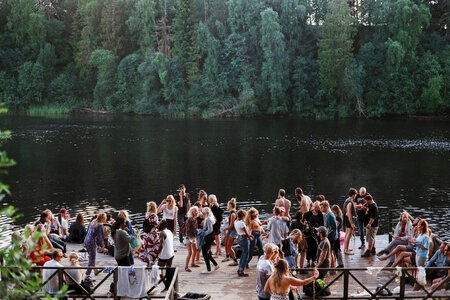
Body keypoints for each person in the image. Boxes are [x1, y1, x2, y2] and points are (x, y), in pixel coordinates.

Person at [156, 219, 175, 292]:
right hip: (171, 254)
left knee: (158, 271)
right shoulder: (169, 231)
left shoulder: (162, 233)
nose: (158, 225)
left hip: (164, 256)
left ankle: (166, 287)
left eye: (159, 224)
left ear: (162, 226)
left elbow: (161, 245)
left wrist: (156, 255)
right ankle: (168, 287)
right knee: (168, 270)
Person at [139, 201, 160, 266]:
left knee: (148, 248)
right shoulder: (154, 216)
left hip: (146, 234)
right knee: (155, 247)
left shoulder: (146, 215)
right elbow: (155, 225)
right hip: (152, 235)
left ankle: (149, 261)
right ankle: (152, 261)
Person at [200, 207, 220, 274]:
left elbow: (210, 230)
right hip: (210, 237)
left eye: (203, 212)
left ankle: (208, 269)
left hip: (208, 237)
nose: (202, 213)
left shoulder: (208, 219)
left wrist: (203, 233)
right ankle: (216, 265)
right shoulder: (209, 218)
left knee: (204, 253)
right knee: (207, 253)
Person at [235, 209, 253, 277]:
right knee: (246, 254)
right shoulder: (242, 223)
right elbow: (246, 233)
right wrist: (250, 237)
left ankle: (240, 267)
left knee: (243, 253)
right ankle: (241, 270)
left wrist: (249, 235)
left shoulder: (235, 222)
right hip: (243, 238)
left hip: (239, 238)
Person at [304, 201, 324, 267]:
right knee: (308, 247)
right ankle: (308, 260)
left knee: (315, 246)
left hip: (316, 232)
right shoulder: (309, 213)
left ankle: (314, 260)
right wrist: (305, 224)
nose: (315, 209)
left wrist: (320, 231)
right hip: (309, 232)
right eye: (314, 207)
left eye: (317, 207)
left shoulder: (320, 214)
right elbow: (304, 220)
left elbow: (322, 224)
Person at [322, 201, 338, 268]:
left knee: (331, 252)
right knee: (330, 252)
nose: (321, 208)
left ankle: (333, 267)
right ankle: (332, 266)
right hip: (329, 236)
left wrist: (327, 234)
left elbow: (334, 227)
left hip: (331, 237)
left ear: (326, 206)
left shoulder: (331, 215)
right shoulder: (326, 214)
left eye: (322, 207)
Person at [223, 198, 238, 266]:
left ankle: (235, 261)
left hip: (233, 231)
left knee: (229, 246)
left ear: (231, 206)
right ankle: (227, 256)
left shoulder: (233, 214)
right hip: (230, 230)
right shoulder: (231, 213)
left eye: (227, 205)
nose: (227, 206)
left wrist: (225, 228)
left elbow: (232, 225)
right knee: (226, 243)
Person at [343, 188, 357, 255]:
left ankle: (346, 248)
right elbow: (349, 213)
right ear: (353, 195)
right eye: (355, 195)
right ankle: (346, 250)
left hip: (346, 219)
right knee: (348, 234)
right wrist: (352, 224)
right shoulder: (349, 202)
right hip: (349, 219)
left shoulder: (347, 200)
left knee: (347, 234)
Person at [184, 206, 199, 272]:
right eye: (195, 211)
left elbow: (195, 229)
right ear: (192, 212)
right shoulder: (189, 220)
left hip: (193, 237)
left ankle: (193, 263)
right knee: (190, 252)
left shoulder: (195, 219)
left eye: (197, 211)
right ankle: (186, 267)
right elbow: (187, 230)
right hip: (188, 237)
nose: (196, 212)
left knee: (195, 250)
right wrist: (188, 239)